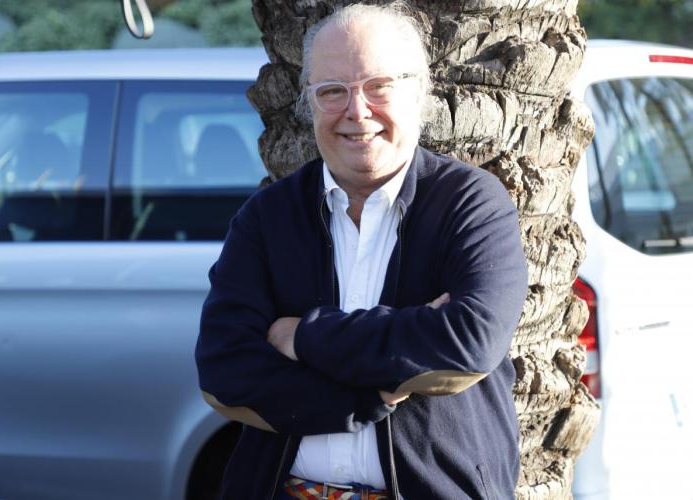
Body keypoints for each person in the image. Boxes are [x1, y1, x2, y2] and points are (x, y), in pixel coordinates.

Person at [195, 3, 528, 499]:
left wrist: (302, 336)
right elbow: (222, 371)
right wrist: (373, 391)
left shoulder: (470, 203)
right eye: (333, 91)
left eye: (379, 86)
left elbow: (468, 342)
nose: (357, 111)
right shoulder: (267, 217)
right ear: (309, 103)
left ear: (419, 92)